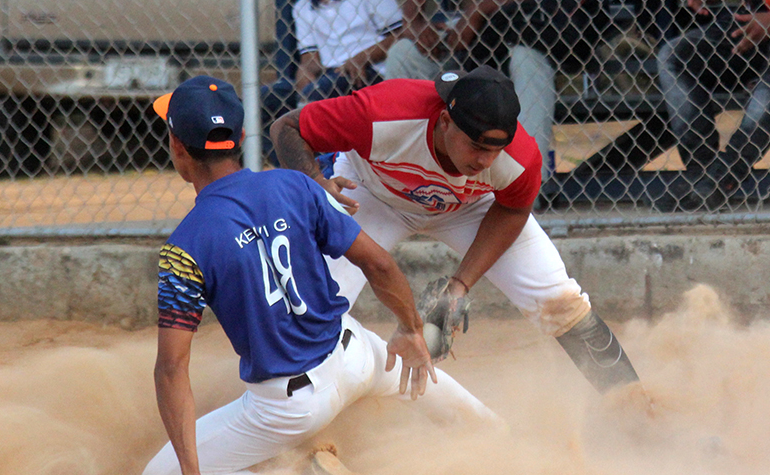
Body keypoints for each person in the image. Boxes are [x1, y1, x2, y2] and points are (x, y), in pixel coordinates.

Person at [141, 75, 498, 475]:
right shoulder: (295, 185)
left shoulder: (184, 246)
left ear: (177, 148)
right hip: (356, 356)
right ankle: (506, 444)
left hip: (289, 408)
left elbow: (171, 368)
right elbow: (379, 264)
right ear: (242, 136)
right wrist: (410, 329)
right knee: (428, 389)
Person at [270, 66, 642, 397]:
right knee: (311, 303)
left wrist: (460, 285)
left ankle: (631, 406)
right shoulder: (385, 113)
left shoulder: (519, 157)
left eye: (496, 150)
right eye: (477, 146)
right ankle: (293, 409)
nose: (485, 160)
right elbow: (286, 127)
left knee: (559, 300)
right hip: (372, 193)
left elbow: (512, 209)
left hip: (468, 206)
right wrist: (317, 183)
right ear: (446, 121)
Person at [385, 0, 611, 183]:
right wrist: (414, 22)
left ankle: (524, 181)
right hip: (467, 36)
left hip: (537, 33)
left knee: (525, 60)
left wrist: (479, 10)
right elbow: (413, 14)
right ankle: (406, 174)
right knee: (403, 53)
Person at [655, 0, 770, 212]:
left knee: (766, 92)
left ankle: (724, 175)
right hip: (751, 15)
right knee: (674, 57)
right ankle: (701, 172)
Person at [261, 0, 404, 164]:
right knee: (265, 99)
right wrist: (305, 72)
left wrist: (362, 57)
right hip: (328, 74)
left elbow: (400, 34)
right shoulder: (303, 6)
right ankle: (291, 169)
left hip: (368, 70)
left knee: (318, 95)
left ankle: (326, 168)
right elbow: (309, 57)